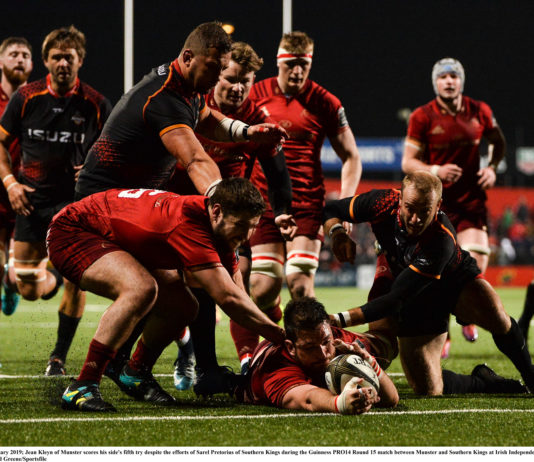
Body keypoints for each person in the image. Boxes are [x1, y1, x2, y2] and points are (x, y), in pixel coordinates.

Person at [74, 22, 287, 396]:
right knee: (154, 287)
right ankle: (93, 379)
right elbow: (194, 158)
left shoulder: (187, 86)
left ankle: (138, 368)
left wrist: (245, 132)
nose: (218, 78)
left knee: (183, 301)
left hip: (133, 203)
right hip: (101, 208)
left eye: (223, 70)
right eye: (214, 69)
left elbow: (206, 119)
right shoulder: (164, 97)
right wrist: (223, 200)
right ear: (188, 58)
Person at [48, 178, 286, 412]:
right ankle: (83, 384)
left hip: (118, 236)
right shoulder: (188, 225)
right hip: (74, 230)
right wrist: (282, 337)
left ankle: (135, 372)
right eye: (241, 225)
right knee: (141, 289)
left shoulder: (221, 229)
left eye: (252, 226)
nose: (246, 235)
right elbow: (229, 300)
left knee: (184, 307)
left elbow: (239, 296)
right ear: (216, 211)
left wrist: (274, 340)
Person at [323, 171, 533, 396]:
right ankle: (483, 381)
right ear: (400, 199)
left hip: (454, 281)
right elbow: (331, 209)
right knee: (428, 388)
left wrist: (336, 320)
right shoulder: (381, 202)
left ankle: (530, 376)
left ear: (438, 205)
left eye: (425, 211)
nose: (416, 219)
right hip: (415, 289)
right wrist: (337, 234)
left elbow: (395, 301)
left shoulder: (441, 240)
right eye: (410, 209)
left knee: (498, 317)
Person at [167, 41, 295, 391]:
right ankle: (180, 350)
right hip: (174, 207)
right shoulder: (193, 105)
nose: (238, 88)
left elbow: (276, 168)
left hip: (221, 220)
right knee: (169, 293)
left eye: (246, 81)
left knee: (210, 288)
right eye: (231, 78)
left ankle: (205, 367)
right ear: (216, 76)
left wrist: (283, 212)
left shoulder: (256, 119)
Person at [244, 31, 362, 372]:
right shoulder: (256, 93)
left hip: (308, 203)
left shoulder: (326, 102)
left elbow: (351, 156)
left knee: (299, 282)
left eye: (304, 65)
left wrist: (347, 204)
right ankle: (280, 342)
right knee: (262, 288)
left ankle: (310, 361)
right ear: (280, 61)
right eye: (291, 64)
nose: (297, 72)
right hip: (263, 202)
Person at [0, 26, 112, 376]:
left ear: (80, 60)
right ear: (46, 60)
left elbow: (114, 149)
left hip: (74, 206)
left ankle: (58, 358)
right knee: (29, 287)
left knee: (77, 280)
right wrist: (9, 183)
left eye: (70, 56)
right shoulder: (27, 97)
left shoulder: (95, 103)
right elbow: (0, 144)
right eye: (56, 56)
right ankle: (44, 275)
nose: (63, 62)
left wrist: (95, 170)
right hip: (30, 202)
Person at [401, 57, 506, 356]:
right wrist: (435, 169)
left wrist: (493, 167)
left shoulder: (479, 111)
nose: (449, 81)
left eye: (454, 76)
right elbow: (407, 162)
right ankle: (443, 329)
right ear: (436, 82)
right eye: (443, 77)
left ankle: (464, 315)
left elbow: (498, 142)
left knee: (478, 263)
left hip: (472, 201)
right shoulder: (422, 116)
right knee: (441, 268)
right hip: (438, 205)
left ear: (461, 81)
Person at [237, 296, 398, 413]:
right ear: (291, 347)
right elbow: (308, 399)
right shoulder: (276, 367)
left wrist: (369, 361)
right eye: (309, 348)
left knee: (385, 344)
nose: (322, 354)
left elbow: (391, 399)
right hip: (253, 377)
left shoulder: (337, 341)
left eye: (325, 342)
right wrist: (339, 403)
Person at [0, 37, 33, 317]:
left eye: (25, 54)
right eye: (13, 54)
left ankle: (10, 287)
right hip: (1, 191)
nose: (19, 59)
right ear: (1, 61)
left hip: (28, 197)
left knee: (18, 279)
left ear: (32, 63)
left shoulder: (38, 100)